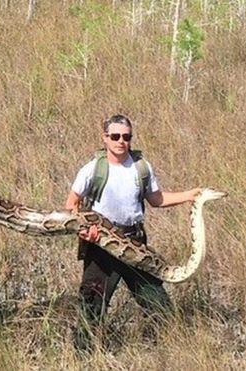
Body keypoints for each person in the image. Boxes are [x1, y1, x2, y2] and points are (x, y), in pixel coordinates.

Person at [64, 114, 201, 351]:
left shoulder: (141, 167)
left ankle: (171, 348)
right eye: (115, 136)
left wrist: (190, 195)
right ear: (104, 138)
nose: (121, 141)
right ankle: (84, 355)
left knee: (156, 300)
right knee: (92, 304)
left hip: (134, 242)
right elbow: (71, 204)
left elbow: (156, 199)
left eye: (126, 137)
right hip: (101, 245)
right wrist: (86, 231)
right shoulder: (92, 169)